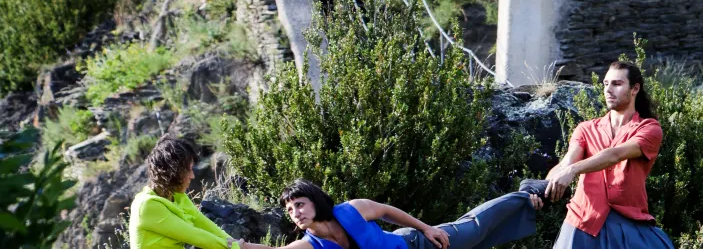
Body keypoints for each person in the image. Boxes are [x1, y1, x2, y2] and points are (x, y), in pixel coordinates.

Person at [543, 61, 673, 249]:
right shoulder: (585, 128)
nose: (608, 90)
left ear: (635, 88)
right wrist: (540, 189)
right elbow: (566, 163)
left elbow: (615, 154)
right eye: (605, 84)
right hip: (582, 222)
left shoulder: (649, 128)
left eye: (617, 84)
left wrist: (573, 170)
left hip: (628, 224)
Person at [242, 178, 544, 249]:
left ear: (314, 201)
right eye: (290, 209)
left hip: (414, 243)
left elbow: (386, 211)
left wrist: (426, 228)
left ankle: (526, 193)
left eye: (299, 204)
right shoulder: (308, 245)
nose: (295, 212)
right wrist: (235, 245)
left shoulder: (351, 210)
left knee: (474, 229)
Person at [129, 136, 244, 249]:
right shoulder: (147, 205)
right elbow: (196, 236)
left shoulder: (177, 197)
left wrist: (234, 243)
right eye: (188, 170)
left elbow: (206, 226)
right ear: (171, 171)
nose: (192, 176)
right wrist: (233, 246)